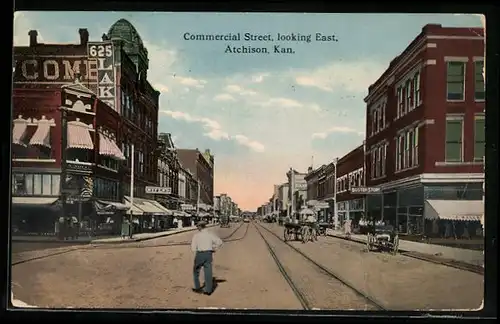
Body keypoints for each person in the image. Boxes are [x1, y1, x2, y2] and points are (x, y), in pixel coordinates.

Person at [191, 220, 223, 296]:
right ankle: (208, 290)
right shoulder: (210, 234)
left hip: (200, 254)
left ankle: (198, 287)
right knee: (208, 272)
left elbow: (193, 248)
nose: (197, 228)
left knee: (196, 271)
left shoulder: (196, 235)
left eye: (197, 226)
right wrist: (213, 248)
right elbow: (220, 242)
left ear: (200, 227)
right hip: (208, 254)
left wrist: (197, 252)